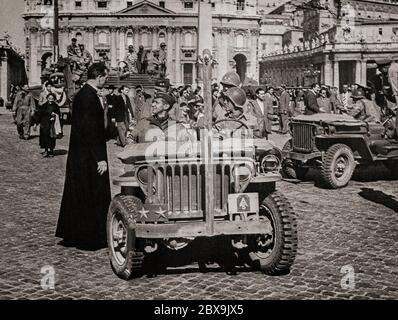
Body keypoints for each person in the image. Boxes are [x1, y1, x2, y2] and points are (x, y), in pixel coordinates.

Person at [56, 63, 110, 250]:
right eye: (105, 77)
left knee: (79, 194)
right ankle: (91, 237)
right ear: (100, 77)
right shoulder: (88, 97)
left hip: (82, 153)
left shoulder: (85, 94)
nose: (106, 80)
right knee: (91, 193)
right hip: (89, 155)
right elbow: (91, 130)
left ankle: (77, 233)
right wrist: (100, 158)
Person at [37, 93, 61, 157]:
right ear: (47, 98)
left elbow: (59, 114)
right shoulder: (44, 106)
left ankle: (51, 150)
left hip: (52, 125)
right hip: (44, 124)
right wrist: (36, 123)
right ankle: (46, 150)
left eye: (52, 99)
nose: (51, 100)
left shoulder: (56, 106)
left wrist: (55, 115)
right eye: (49, 98)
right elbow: (39, 114)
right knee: (45, 137)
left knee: (52, 137)